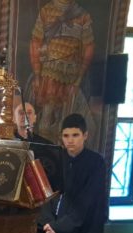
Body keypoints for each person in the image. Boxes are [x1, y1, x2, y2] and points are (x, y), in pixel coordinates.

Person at [28, 0, 95, 142]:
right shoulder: (47, 11)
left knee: (67, 118)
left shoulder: (82, 15)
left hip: (71, 74)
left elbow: (88, 47)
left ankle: (62, 149)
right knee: (46, 117)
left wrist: (78, 79)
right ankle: (45, 149)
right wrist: (37, 74)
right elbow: (36, 42)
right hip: (49, 73)